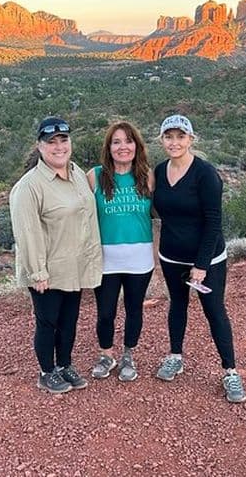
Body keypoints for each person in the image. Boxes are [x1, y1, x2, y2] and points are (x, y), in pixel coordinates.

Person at [152, 114, 246, 403]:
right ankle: (175, 356)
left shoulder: (205, 174)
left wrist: (202, 265)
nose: (174, 142)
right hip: (171, 256)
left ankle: (230, 371)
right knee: (177, 306)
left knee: (214, 311)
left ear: (191, 139)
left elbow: (213, 221)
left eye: (181, 136)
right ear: (162, 140)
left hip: (207, 260)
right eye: (169, 137)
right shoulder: (158, 171)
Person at [9, 116, 103, 394]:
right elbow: (27, 233)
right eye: (52, 142)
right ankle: (46, 372)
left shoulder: (77, 174)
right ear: (40, 146)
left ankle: (64, 365)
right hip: (47, 270)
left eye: (64, 140)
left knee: (69, 320)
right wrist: (38, 272)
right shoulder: (29, 186)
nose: (59, 147)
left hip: (73, 266)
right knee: (48, 322)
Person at [86, 121, 155, 381]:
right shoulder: (94, 176)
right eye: (116, 142)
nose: (122, 147)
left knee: (134, 308)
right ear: (108, 147)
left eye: (128, 141)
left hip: (140, 257)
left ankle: (128, 355)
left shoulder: (147, 176)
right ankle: (106, 354)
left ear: (136, 146)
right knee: (105, 311)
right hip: (106, 258)